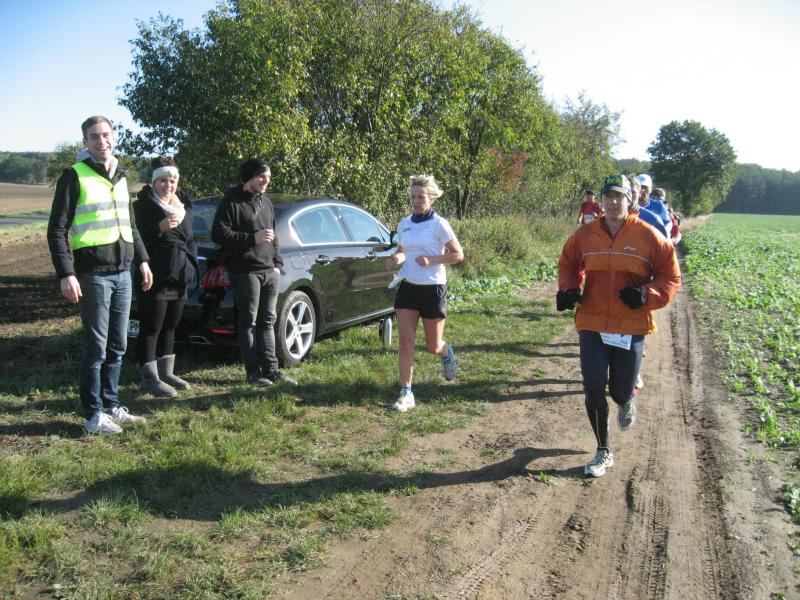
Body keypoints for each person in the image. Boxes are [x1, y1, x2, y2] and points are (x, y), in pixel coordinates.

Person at [557, 174, 681, 477]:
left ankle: (627, 401)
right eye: (608, 196)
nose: (613, 202)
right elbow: (568, 263)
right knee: (593, 386)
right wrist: (569, 288)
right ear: (601, 200)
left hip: (631, 324)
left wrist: (646, 294)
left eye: (619, 196)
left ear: (629, 199)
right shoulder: (585, 235)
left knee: (620, 390)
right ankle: (603, 450)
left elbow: (671, 276)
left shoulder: (648, 236)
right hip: (593, 320)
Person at [47, 115, 153, 435]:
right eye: (94, 136)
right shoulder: (74, 175)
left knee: (118, 345)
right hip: (92, 274)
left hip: (123, 273)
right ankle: (93, 415)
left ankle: (111, 405)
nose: (101, 141)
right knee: (96, 347)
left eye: (106, 134)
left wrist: (143, 260)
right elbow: (57, 230)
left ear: (114, 137)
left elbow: (130, 224)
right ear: (85, 142)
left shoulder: (121, 176)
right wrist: (66, 273)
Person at [211, 158, 296, 386]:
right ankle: (253, 373)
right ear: (249, 177)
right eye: (262, 177)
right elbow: (218, 234)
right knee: (248, 322)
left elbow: (273, 235)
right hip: (245, 271)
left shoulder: (266, 202)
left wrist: (277, 264)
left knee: (268, 321)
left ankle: (272, 370)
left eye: (268, 177)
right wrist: (251, 239)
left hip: (269, 270)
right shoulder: (231, 201)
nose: (266, 181)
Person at [385, 175, 464, 412]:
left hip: (433, 288)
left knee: (433, 345)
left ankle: (446, 354)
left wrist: (432, 259)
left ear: (431, 198)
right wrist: (395, 259)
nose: (416, 201)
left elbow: (457, 254)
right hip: (408, 287)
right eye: (413, 197)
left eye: (421, 197)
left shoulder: (439, 224)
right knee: (405, 343)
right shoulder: (404, 224)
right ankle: (406, 393)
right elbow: (402, 250)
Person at [133, 157, 198, 397]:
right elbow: (135, 239)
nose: (168, 185)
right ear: (153, 182)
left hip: (179, 277)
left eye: (172, 181)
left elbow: (190, 239)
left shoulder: (183, 208)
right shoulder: (142, 207)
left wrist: (191, 264)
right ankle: (149, 378)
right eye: (162, 181)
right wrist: (159, 228)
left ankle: (166, 372)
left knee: (171, 325)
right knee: (152, 327)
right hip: (154, 276)